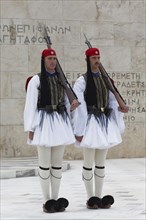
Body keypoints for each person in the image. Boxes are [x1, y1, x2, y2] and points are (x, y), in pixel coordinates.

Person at [72, 47, 129, 209]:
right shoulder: (82, 81)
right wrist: (80, 131)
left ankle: (98, 195)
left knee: (101, 163)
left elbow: (112, 101)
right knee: (88, 162)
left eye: (98, 57)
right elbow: (80, 108)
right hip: (90, 124)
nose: (97, 60)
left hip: (104, 123)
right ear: (87, 60)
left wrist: (119, 109)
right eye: (93, 58)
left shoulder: (106, 79)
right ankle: (90, 197)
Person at [24, 48, 78, 213]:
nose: (52, 61)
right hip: (44, 123)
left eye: (54, 58)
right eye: (49, 59)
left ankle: (55, 198)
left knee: (57, 165)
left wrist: (73, 111)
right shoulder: (36, 80)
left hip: (60, 122)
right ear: (43, 61)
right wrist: (30, 127)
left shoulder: (61, 80)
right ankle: (46, 200)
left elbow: (67, 103)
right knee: (44, 164)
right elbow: (31, 105)